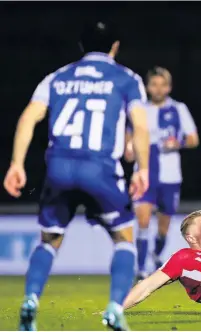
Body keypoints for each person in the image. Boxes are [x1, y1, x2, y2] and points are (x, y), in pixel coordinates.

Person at [3, 21, 150, 331]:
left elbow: (29, 116)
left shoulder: (57, 77)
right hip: (100, 170)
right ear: (115, 47)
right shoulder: (127, 79)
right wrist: (142, 169)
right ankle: (114, 308)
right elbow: (139, 126)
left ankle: (31, 300)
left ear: (81, 47)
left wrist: (17, 163)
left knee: (49, 240)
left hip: (59, 169)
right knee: (124, 239)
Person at [123, 66, 199, 280]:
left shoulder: (178, 109)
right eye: (154, 84)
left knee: (163, 227)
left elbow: (193, 139)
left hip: (170, 175)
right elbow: (128, 141)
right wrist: (128, 150)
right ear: (147, 86)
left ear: (169, 87)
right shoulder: (138, 110)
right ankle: (141, 268)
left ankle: (156, 253)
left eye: (162, 84)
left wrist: (179, 142)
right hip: (145, 173)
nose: (158, 89)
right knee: (143, 220)